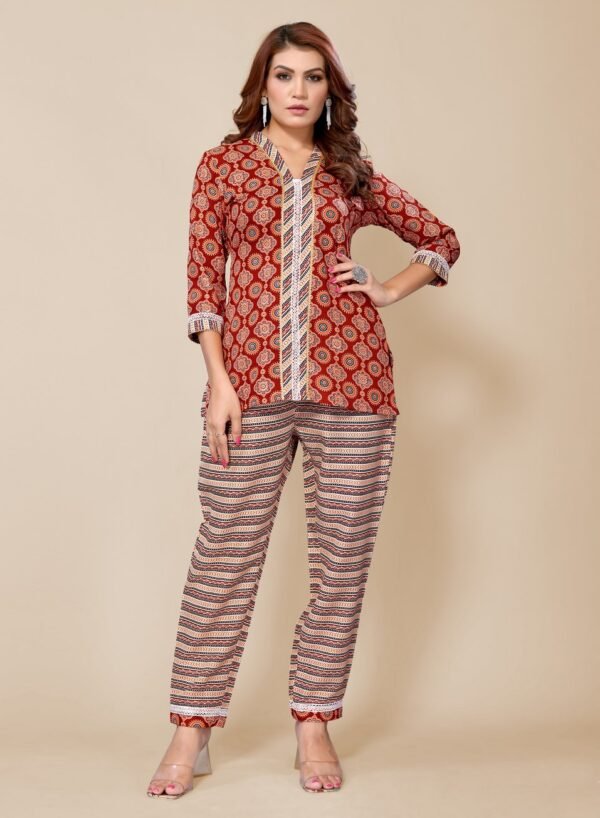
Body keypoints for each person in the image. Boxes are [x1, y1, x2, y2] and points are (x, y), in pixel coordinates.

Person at [147, 20, 460, 798]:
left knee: (341, 562)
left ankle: (314, 724)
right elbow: (203, 281)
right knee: (225, 554)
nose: (298, 90)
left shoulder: (348, 173)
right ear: (263, 85)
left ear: (330, 91)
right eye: (284, 75)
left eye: (313, 77)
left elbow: (440, 240)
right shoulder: (222, 167)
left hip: (354, 388)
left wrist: (387, 289)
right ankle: (191, 729)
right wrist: (219, 382)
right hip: (248, 387)